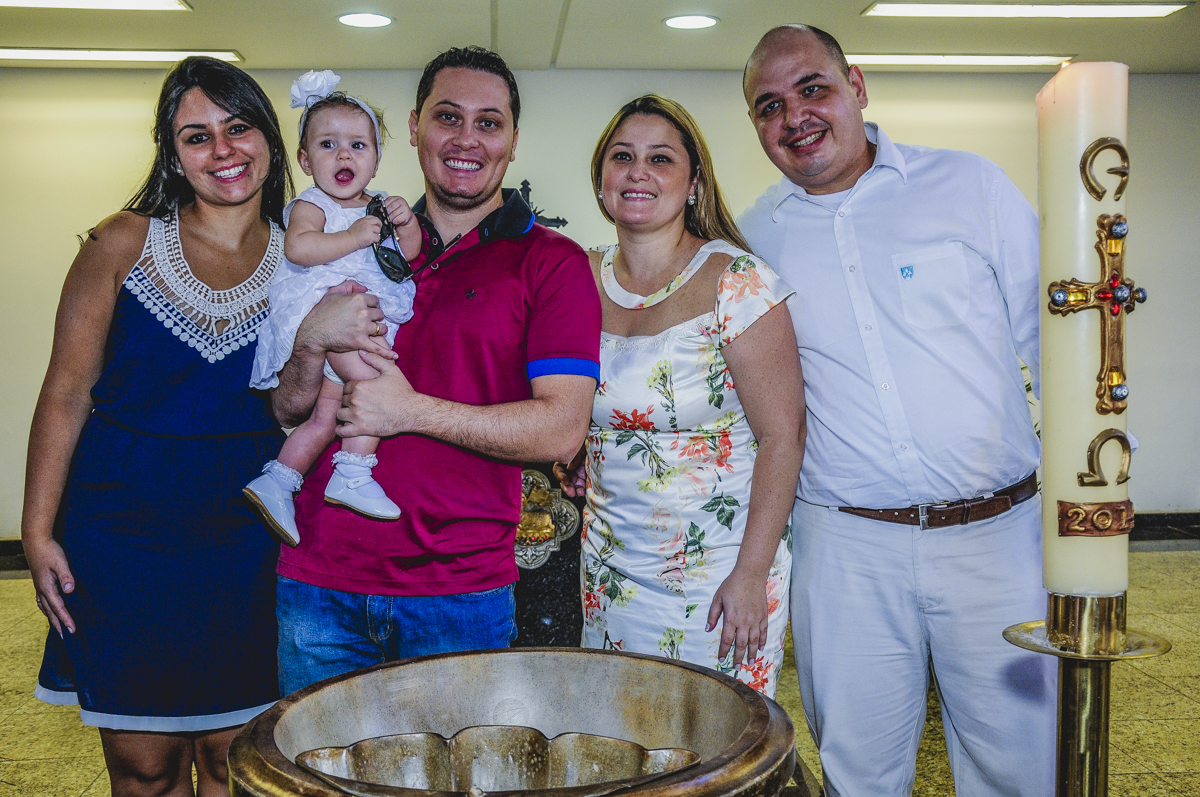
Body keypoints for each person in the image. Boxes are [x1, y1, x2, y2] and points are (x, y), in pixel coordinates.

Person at [738, 24, 1055, 796]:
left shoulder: (968, 186)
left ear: (857, 85)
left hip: (998, 540)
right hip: (848, 549)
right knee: (859, 769)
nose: (795, 117)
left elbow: (1059, 336)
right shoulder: (754, 237)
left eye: (812, 88)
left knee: (1021, 761)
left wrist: (1100, 481)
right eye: (769, 106)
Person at [269, 46, 602, 696]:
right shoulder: (349, 238)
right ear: (417, 124)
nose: (466, 139)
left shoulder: (551, 261)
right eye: (449, 117)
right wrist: (309, 344)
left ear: (511, 139)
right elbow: (285, 410)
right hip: (317, 580)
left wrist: (410, 410)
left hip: (458, 594)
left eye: (489, 122)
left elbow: (562, 430)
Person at [22, 56, 291, 797]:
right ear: (172, 154)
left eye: (238, 128)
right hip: (122, 532)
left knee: (234, 760)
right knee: (143, 766)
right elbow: (67, 391)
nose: (224, 150)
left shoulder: (309, 260)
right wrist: (39, 530)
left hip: (248, 538)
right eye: (196, 136)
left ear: (269, 138)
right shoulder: (121, 241)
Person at [565, 95, 804, 697]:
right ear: (601, 180)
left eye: (661, 159)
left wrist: (751, 574)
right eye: (623, 157)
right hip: (612, 566)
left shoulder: (738, 281)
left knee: (712, 751)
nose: (638, 172)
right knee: (621, 748)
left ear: (693, 182)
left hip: (720, 572)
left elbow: (784, 437)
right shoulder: (576, 278)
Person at [245, 70, 422, 544]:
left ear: (377, 159)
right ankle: (354, 473)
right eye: (327, 145)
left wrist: (405, 224)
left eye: (358, 146)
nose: (344, 155)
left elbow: (406, 255)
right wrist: (351, 236)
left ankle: (278, 480)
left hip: (362, 315)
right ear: (305, 159)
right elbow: (300, 249)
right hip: (326, 309)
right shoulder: (314, 204)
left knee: (326, 417)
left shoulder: (381, 204)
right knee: (378, 387)